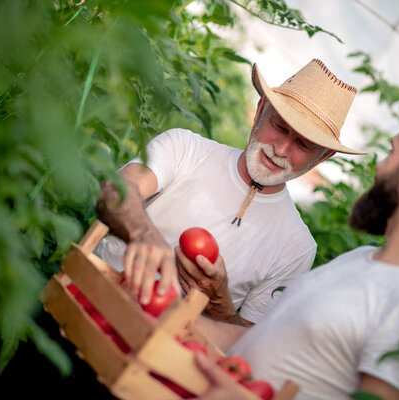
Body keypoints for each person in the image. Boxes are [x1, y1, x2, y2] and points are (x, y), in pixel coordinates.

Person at [192, 98, 399, 399]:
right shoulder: (364, 260)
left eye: (392, 153)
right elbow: (264, 340)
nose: (379, 168)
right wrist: (177, 316)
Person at [95, 59, 365, 325]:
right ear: (260, 110)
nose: (281, 150)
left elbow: (247, 345)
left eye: (303, 145)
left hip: (154, 359)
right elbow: (115, 191)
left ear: (322, 157)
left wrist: (220, 306)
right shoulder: (185, 149)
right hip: (88, 298)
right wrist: (143, 234)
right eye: (279, 127)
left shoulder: (296, 248)